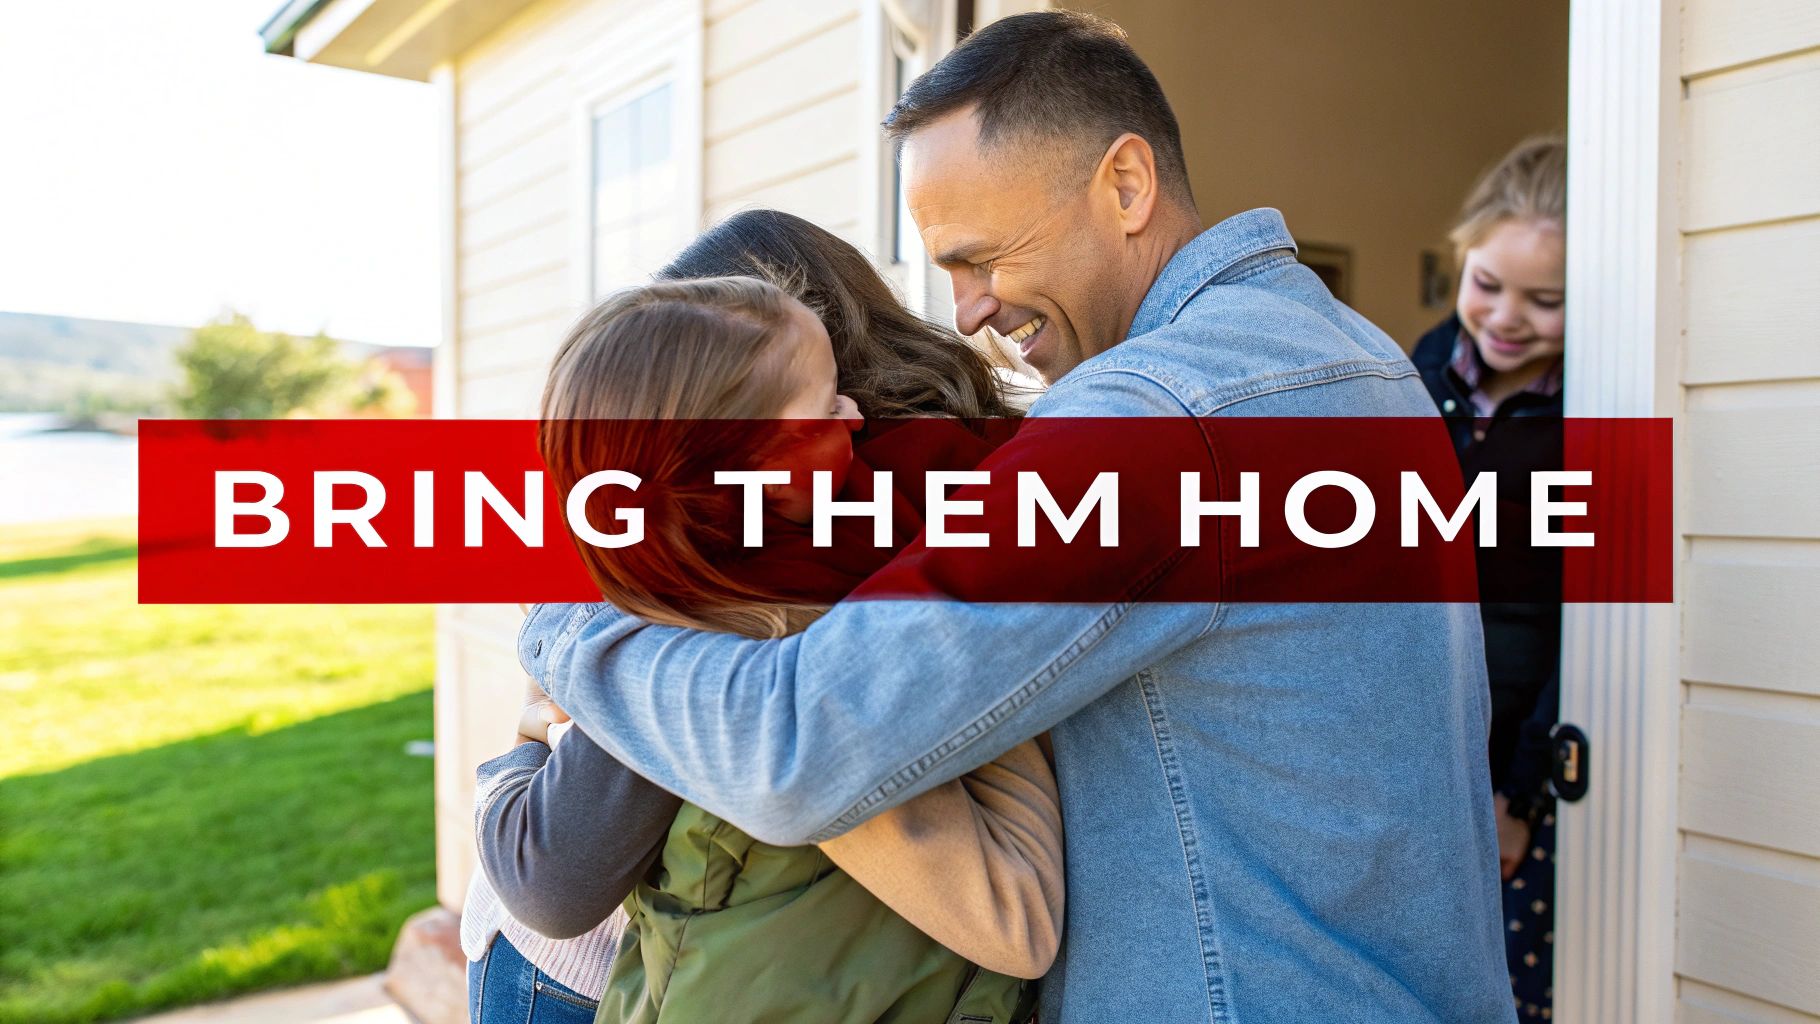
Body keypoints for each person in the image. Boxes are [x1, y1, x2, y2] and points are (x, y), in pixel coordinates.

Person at [519, 12, 1513, 1023]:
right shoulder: (1354, 357)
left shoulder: (1155, 420)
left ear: (1124, 187)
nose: (963, 311)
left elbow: (797, 747)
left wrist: (570, 623)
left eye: (979, 257)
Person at [1411, 136, 1567, 1022]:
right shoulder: (1414, 376)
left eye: (1545, 302)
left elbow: (1589, 627)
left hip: (1525, 763)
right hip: (1432, 749)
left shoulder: (1595, 413)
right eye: (1487, 284)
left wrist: (1521, 794)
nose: (1506, 317)